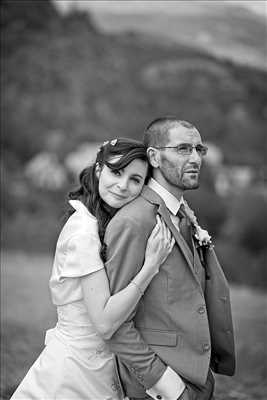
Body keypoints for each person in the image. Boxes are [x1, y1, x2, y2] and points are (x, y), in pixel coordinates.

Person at [11, 138, 175, 400]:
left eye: (135, 180)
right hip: (73, 372)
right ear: (99, 169)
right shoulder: (84, 233)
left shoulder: (102, 223)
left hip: (100, 368)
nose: (123, 186)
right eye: (116, 172)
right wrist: (151, 266)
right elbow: (105, 323)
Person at [104, 118, 236, 400]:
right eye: (183, 149)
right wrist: (167, 386)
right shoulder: (134, 221)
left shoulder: (184, 213)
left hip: (198, 377)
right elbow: (115, 325)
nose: (195, 158)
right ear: (154, 156)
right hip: (160, 386)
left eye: (199, 149)